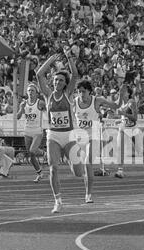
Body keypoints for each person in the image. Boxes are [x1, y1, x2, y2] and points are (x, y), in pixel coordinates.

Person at [36, 50, 84, 213]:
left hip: (69, 135)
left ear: (65, 83)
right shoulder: (48, 95)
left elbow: (75, 75)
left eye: (61, 80)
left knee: (78, 173)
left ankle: (72, 159)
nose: (57, 82)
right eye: (55, 80)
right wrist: (51, 59)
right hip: (54, 135)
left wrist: (69, 58)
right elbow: (39, 74)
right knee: (53, 168)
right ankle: (58, 200)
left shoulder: (68, 94)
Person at [74, 79, 122, 203]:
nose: (81, 95)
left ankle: (88, 194)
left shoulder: (97, 100)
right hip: (79, 137)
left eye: (83, 92)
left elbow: (115, 105)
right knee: (78, 171)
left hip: (93, 136)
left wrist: (121, 95)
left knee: (87, 163)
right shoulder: (74, 102)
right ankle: (86, 186)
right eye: (79, 92)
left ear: (90, 92)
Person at [17, 83, 46, 183]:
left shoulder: (40, 103)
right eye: (29, 90)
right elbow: (17, 117)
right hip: (27, 131)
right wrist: (21, 108)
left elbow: (49, 111)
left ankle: (43, 153)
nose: (30, 92)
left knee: (33, 150)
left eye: (32, 90)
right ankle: (39, 173)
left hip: (37, 131)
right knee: (30, 155)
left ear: (36, 93)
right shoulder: (24, 103)